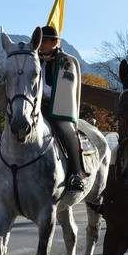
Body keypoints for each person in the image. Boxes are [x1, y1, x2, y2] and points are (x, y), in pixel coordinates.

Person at [38, 25, 86, 192]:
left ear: (55, 42)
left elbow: (66, 87)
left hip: (57, 109)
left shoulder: (67, 61)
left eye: (44, 41)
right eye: (40, 41)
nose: (41, 44)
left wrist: (42, 91)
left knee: (69, 132)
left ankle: (76, 173)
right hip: (34, 109)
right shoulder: (33, 59)